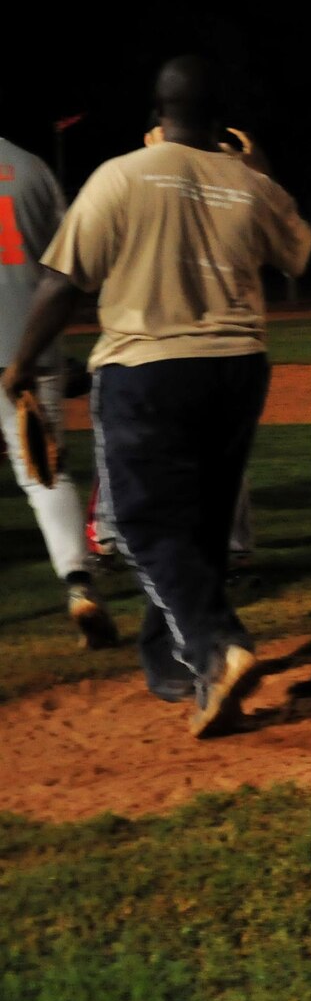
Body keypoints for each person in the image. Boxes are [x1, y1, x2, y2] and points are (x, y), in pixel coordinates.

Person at [2, 57, 311, 733]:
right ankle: (172, 662)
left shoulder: (119, 175)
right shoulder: (248, 181)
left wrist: (22, 364)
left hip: (146, 369)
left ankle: (214, 645)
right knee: (198, 521)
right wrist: (258, 165)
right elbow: (300, 254)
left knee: (142, 524)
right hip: (237, 367)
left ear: (158, 112)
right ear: (219, 116)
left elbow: (61, 281)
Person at [0, 132, 115, 648]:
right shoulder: (32, 167)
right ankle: (78, 584)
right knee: (45, 476)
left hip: (29, 353)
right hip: (29, 350)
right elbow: (66, 266)